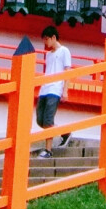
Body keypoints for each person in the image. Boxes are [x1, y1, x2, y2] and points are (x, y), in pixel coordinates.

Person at [34, 25, 72, 156]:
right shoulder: (48, 55)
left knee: (48, 119)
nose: (45, 42)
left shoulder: (64, 51)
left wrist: (65, 90)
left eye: (46, 39)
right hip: (44, 88)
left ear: (53, 37)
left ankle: (48, 150)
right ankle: (64, 132)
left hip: (55, 89)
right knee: (40, 120)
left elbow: (68, 71)